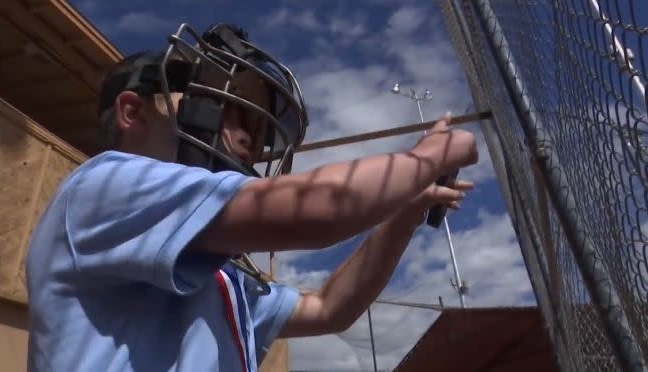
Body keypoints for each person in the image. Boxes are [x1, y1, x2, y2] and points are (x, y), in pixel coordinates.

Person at [25, 23, 478, 372]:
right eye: (218, 106)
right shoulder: (103, 186)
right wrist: (428, 157)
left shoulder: (215, 273)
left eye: (251, 125)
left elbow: (330, 309)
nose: (246, 139)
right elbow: (319, 211)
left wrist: (405, 209)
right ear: (132, 112)